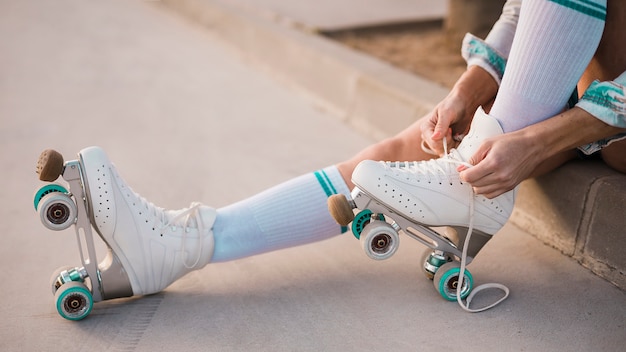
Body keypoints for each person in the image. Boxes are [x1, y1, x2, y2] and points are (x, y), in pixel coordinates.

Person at [63, 0, 625, 297]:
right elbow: (527, 11)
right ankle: (185, 244)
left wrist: (536, 140)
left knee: (444, 160)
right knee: (400, 147)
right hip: (597, 80)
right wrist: (465, 92)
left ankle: (471, 185)